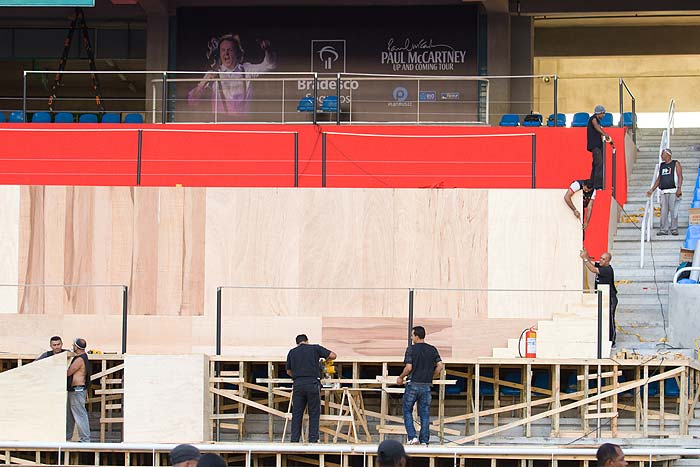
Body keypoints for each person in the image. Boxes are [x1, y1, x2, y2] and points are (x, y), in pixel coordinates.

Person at [188, 34, 277, 117]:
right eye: (223, 50)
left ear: (237, 52)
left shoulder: (247, 70)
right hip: (220, 125)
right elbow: (192, 101)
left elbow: (269, 65)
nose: (226, 53)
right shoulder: (212, 74)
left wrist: (267, 50)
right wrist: (201, 85)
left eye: (229, 50)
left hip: (243, 125)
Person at [397, 326, 443, 446]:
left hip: (413, 384)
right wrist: (432, 376)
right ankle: (424, 441)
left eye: (412, 335)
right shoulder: (432, 349)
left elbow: (408, 368)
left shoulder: (411, 349)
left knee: (407, 410)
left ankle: (412, 437)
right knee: (425, 414)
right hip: (426, 386)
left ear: (417, 336)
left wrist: (401, 377)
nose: (411, 338)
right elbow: (440, 366)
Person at [285, 334, 337, 443]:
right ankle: (313, 439)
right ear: (307, 341)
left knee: (297, 413)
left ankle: (294, 440)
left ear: (297, 343)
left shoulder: (292, 352)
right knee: (314, 412)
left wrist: (299, 374)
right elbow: (333, 355)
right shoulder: (315, 348)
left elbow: (289, 371)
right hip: (312, 383)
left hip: (298, 384)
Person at [580, 249, 618, 346]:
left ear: (608, 261)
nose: (601, 260)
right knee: (603, 318)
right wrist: (587, 255)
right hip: (602, 297)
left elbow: (592, 269)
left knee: (610, 319)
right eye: (601, 258)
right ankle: (604, 338)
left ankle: (612, 340)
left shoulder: (607, 270)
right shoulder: (601, 265)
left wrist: (584, 259)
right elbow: (592, 263)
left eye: (603, 259)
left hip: (610, 298)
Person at [646, 148, 683, 236]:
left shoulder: (675, 163)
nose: (661, 156)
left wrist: (679, 188)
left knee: (674, 210)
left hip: (673, 191)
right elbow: (659, 179)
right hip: (663, 191)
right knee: (663, 211)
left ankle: (674, 229)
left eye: (663, 154)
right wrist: (652, 190)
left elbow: (680, 176)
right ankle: (663, 229)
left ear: (668, 154)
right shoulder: (662, 165)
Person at [66, 337, 91, 442]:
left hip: (77, 390)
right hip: (75, 390)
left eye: (74, 345)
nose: (73, 347)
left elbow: (68, 373)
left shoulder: (79, 359)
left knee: (80, 415)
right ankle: (67, 437)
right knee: (70, 415)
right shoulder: (83, 357)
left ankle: (85, 439)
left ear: (76, 346)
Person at [587, 105, 612, 190]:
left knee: (596, 164)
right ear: (599, 113)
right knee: (599, 164)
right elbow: (596, 127)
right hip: (595, 146)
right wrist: (605, 134)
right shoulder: (593, 119)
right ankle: (598, 185)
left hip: (598, 145)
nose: (604, 115)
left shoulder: (597, 120)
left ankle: (591, 184)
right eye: (603, 113)